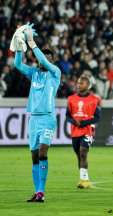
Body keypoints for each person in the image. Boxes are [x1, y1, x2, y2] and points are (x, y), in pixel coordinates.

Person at [13, 26, 61, 202]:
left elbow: (44, 61)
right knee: (34, 157)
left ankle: (41, 192)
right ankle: (37, 191)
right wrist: (19, 47)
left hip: (48, 119)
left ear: (51, 61)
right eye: (43, 58)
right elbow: (17, 65)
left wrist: (31, 42)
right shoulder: (34, 73)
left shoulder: (55, 73)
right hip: (34, 119)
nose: (44, 60)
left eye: (48, 58)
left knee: (42, 153)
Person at [66, 75, 100, 189]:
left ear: (88, 85)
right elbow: (67, 116)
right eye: (78, 83)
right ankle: (83, 178)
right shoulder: (71, 99)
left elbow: (97, 117)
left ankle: (84, 181)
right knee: (79, 156)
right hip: (75, 131)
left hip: (87, 131)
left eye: (82, 83)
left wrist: (84, 123)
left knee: (83, 152)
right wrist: (74, 122)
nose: (79, 85)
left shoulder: (94, 99)